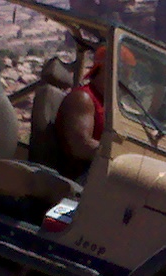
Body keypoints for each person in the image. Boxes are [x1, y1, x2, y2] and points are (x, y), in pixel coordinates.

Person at [55, 44, 135, 179]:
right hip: (80, 177)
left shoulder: (111, 105)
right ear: (107, 69)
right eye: (125, 73)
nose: (128, 80)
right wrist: (123, 156)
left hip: (101, 174)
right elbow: (80, 146)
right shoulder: (83, 98)